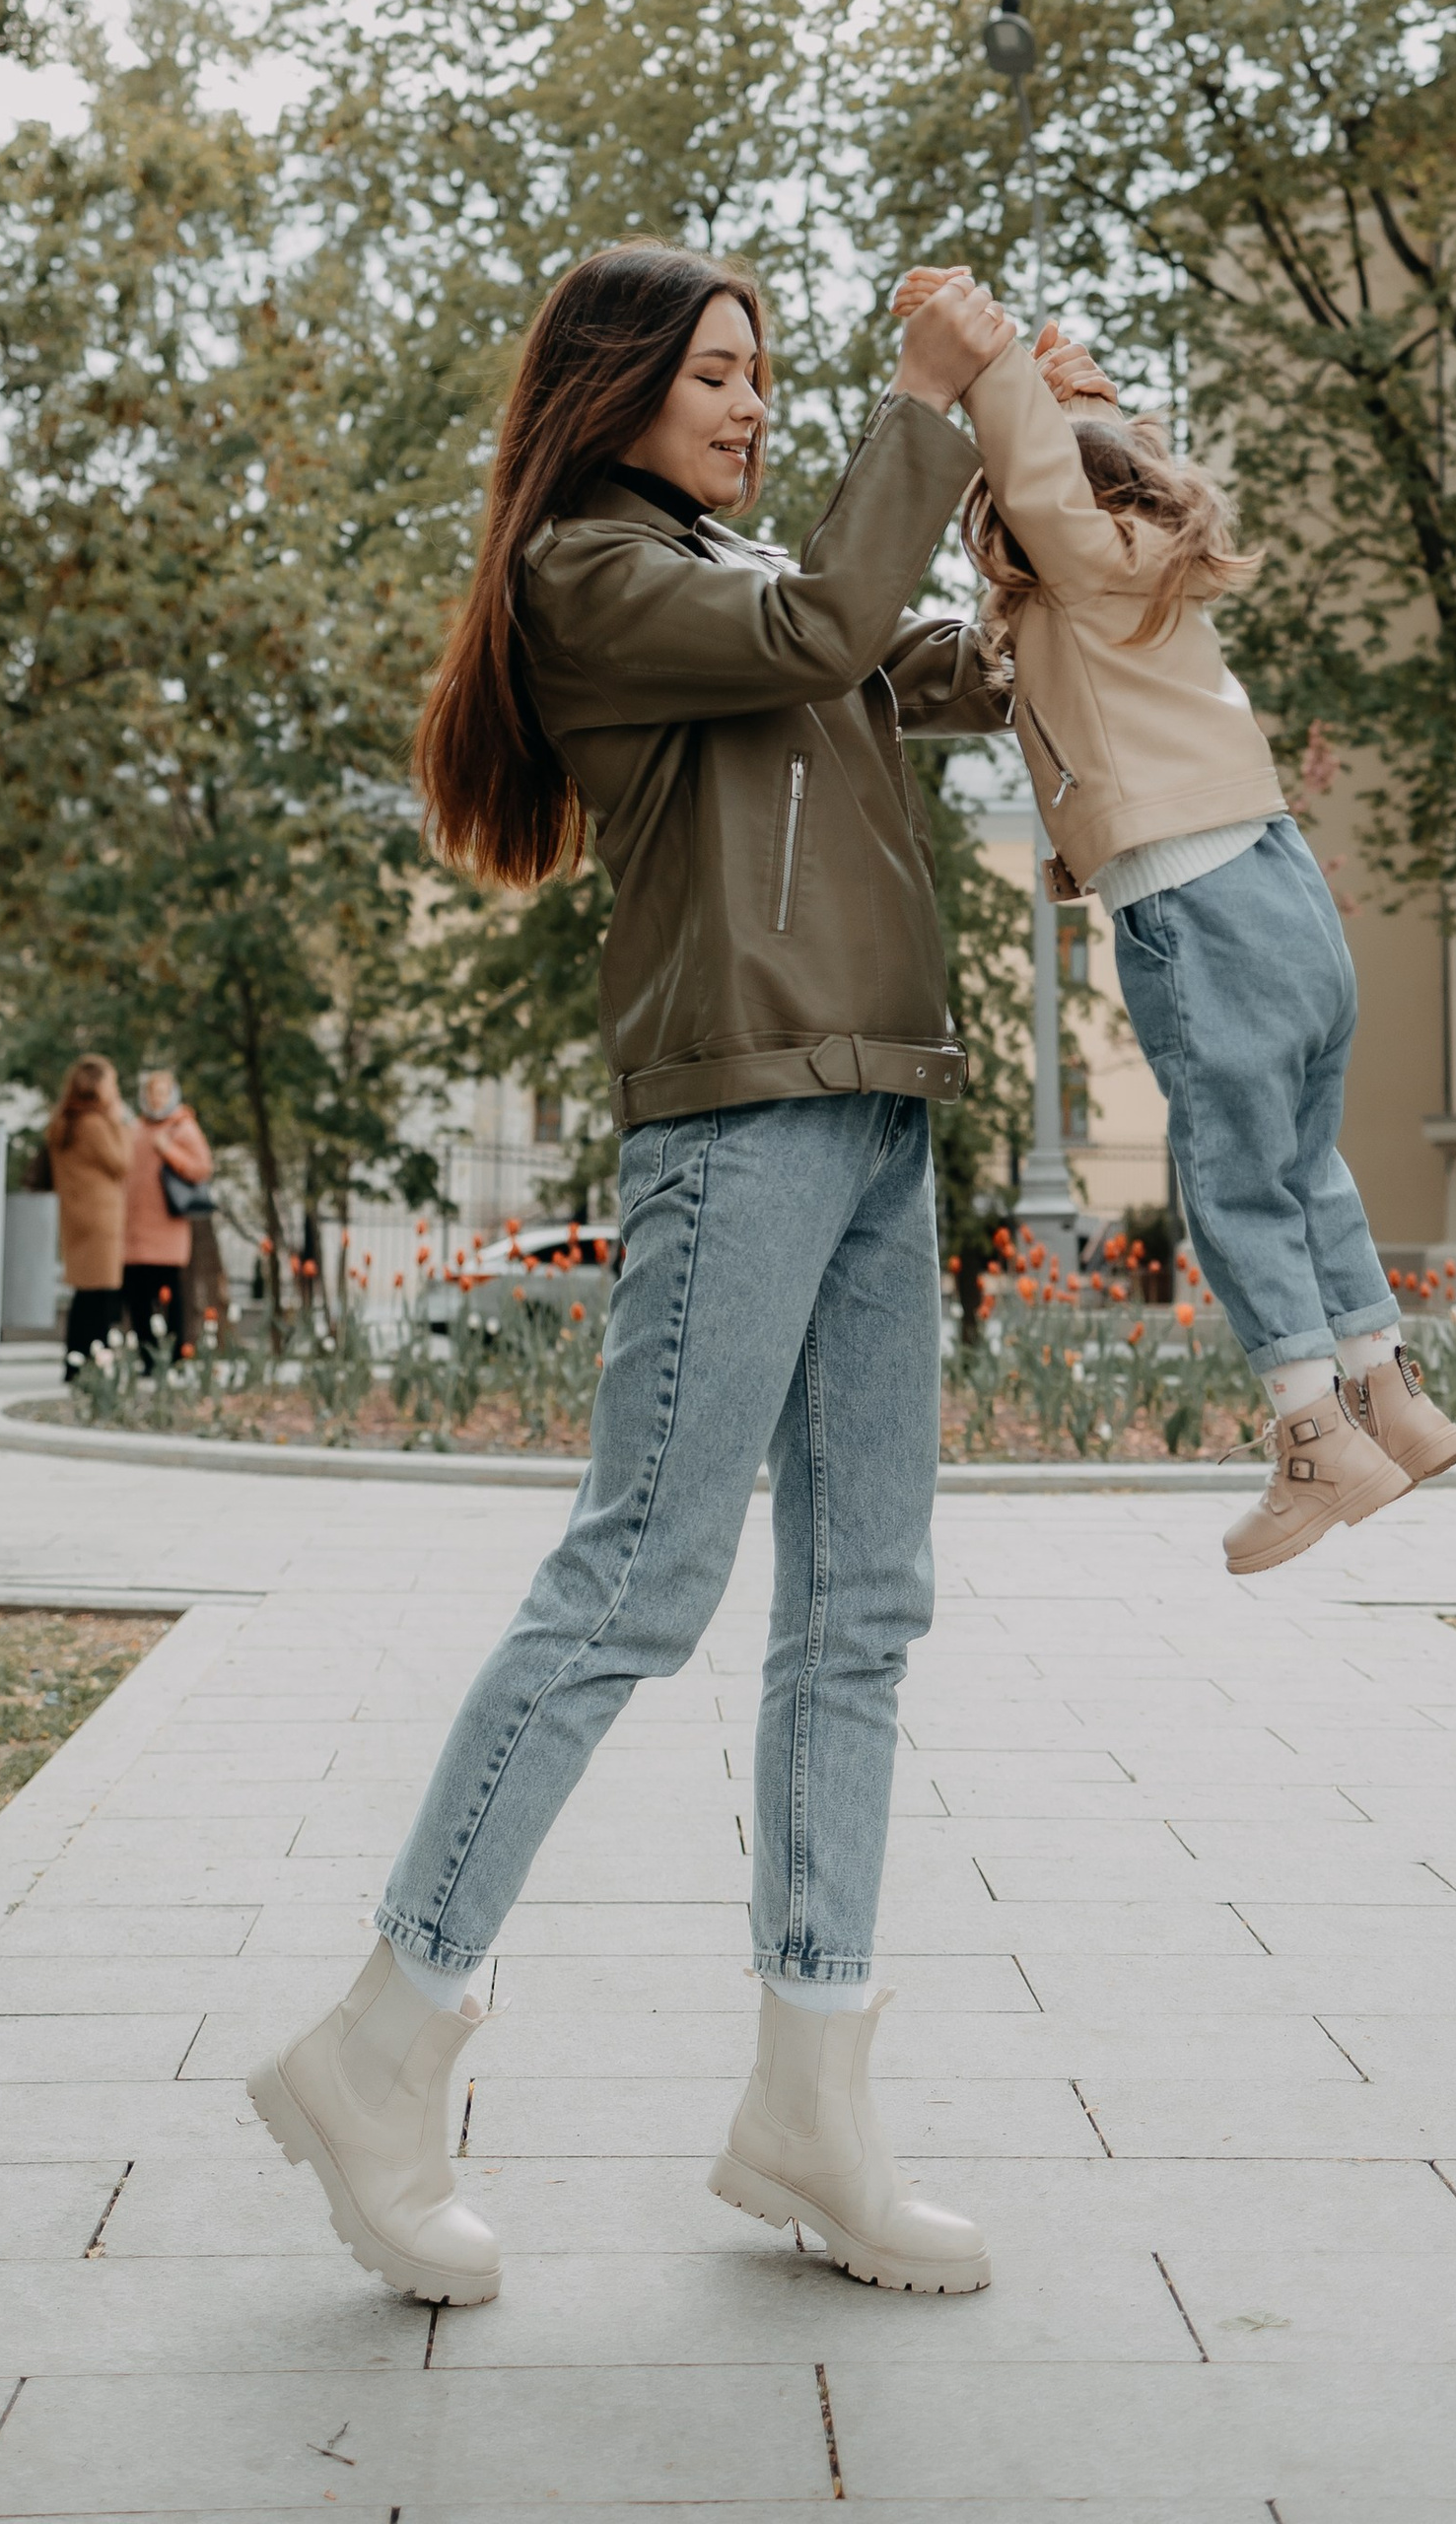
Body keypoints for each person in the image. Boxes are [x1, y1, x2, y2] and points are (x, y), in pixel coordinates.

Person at [249, 239, 1014, 2310]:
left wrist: (1035, 577)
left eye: (768, 378)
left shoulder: (748, 586)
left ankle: (813, 2108)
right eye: (719, 378)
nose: (752, 408)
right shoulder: (597, 573)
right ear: (614, 394)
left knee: (861, 1608)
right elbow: (826, 616)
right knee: (634, 1585)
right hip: (737, 1123)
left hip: (872, 1111)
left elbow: (896, 654)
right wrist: (927, 411)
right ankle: (379, 2045)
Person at [921, 276, 1456, 1570]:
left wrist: (993, 362)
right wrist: (1082, 384)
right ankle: (1389, 1391)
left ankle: (1312, 1436)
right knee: (1303, 1161)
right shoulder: (1152, 576)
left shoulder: (1079, 565)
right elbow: (1095, 472)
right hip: (1284, 890)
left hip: (1195, 909)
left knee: (1229, 1183)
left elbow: (1050, 489)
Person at [45, 1057, 130, 1376]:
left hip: (77, 1216)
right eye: (112, 1083)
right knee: (101, 1295)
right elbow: (121, 1162)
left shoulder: (65, 1122)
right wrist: (118, 1122)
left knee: (85, 1293)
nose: (115, 1090)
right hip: (101, 1218)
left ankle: (76, 1362)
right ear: (97, 1087)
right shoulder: (94, 1124)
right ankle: (92, 1364)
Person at [122, 1067, 211, 1364]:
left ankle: (174, 1356)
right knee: (137, 1300)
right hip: (133, 1232)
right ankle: (147, 1357)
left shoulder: (183, 1127)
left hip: (165, 1231)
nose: (155, 1099)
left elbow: (201, 1169)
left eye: (161, 1093)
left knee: (169, 1298)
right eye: (151, 1093)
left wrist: (169, 1150)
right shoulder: (135, 1128)